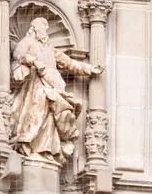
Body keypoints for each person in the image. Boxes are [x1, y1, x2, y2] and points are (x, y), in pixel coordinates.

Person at [11, 18, 103, 165]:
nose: (44, 33)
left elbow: (69, 63)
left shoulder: (50, 49)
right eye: (42, 29)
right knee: (38, 108)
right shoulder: (28, 42)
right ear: (34, 29)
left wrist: (90, 69)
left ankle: (47, 149)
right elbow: (17, 54)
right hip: (36, 82)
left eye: (45, 29)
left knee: (53, 116)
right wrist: (34, 61)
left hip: (54, 84)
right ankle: (28, 143)